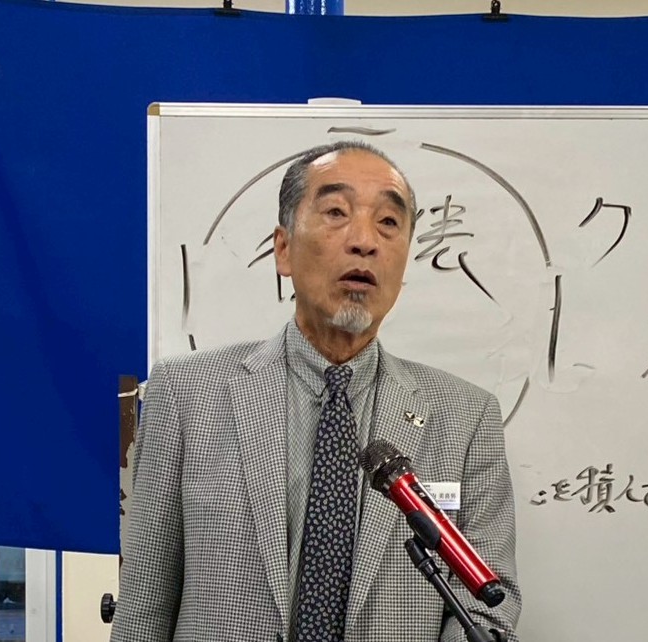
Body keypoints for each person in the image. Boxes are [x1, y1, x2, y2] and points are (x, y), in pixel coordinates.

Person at [110, 141, 521, 642]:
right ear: (283, 249)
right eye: (336, 213)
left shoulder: (466, 416)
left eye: (388, 222)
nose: (365, 241)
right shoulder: (186, 393)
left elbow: (489, 608)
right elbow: (144, 605)